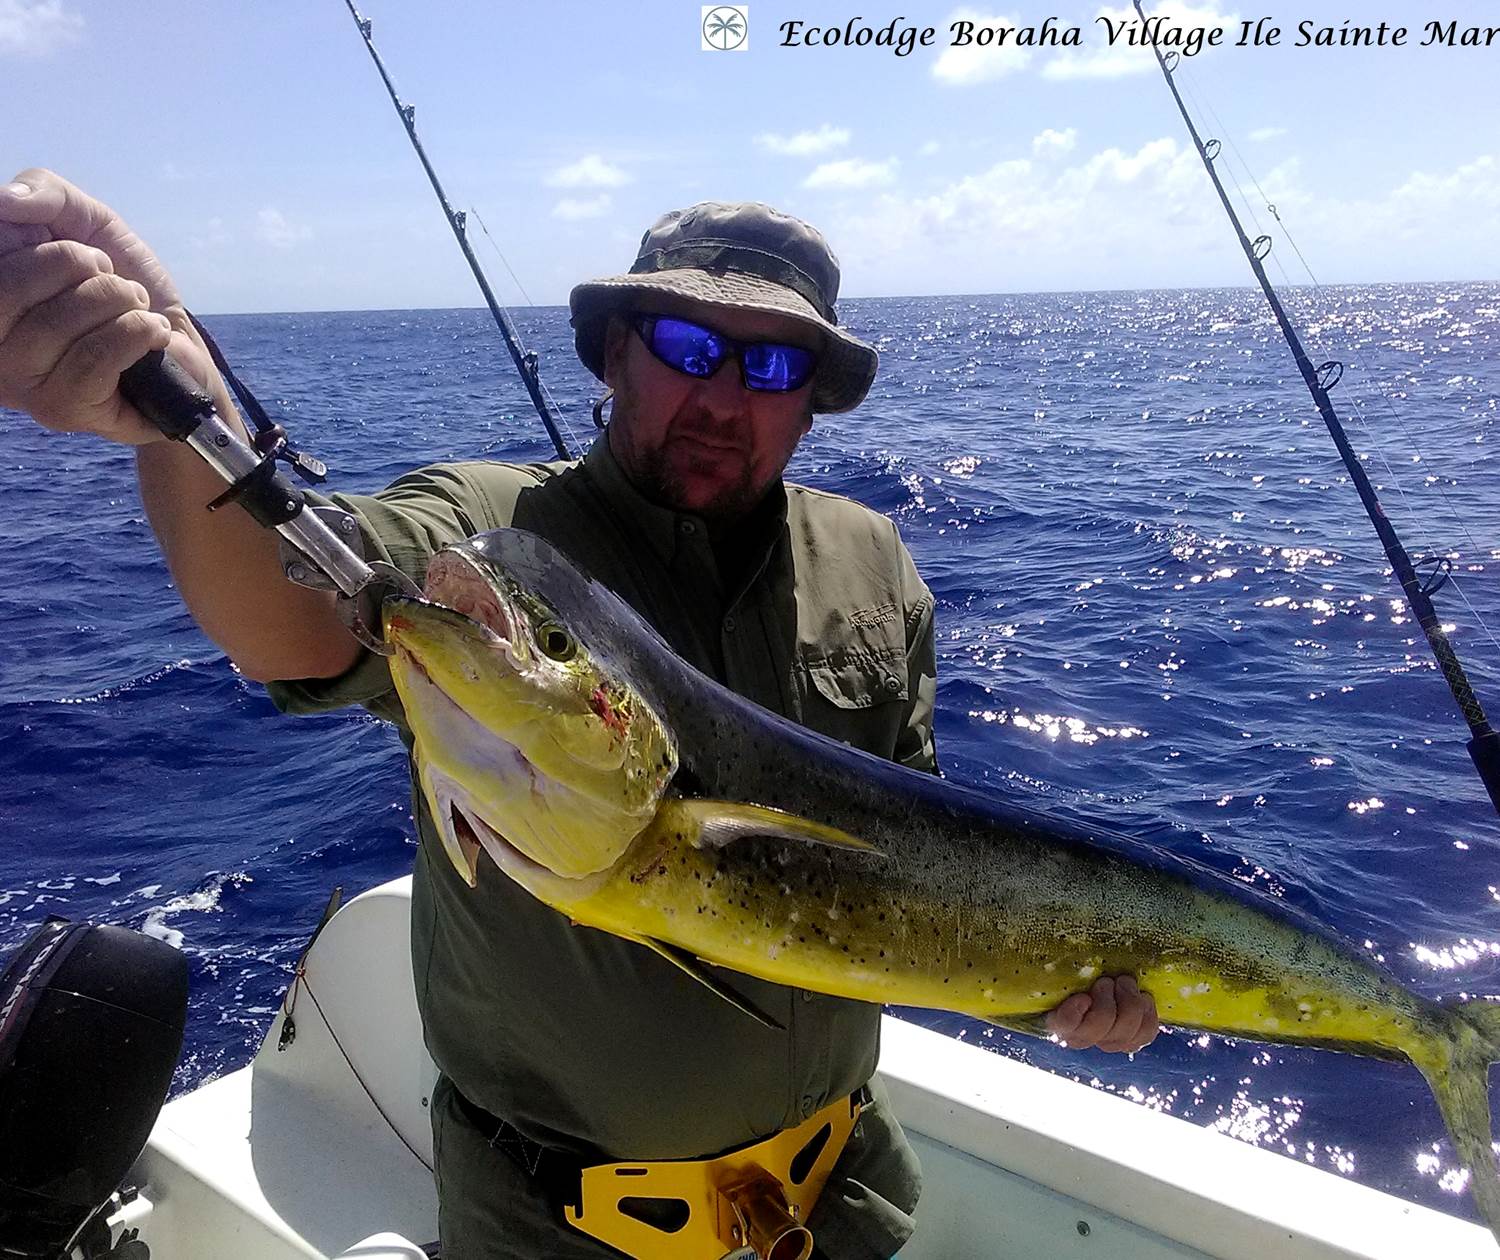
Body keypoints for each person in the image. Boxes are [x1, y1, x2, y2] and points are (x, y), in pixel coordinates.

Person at [0, 170, 1160, 1260]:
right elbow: (290, 620)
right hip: (556, 1227)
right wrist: (176, 402)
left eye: (771, 367)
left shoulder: (869, 556)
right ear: (615, 353)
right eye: (689, 348)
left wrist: (1049, 988)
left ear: (811, 403)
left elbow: (919, 858)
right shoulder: (496, 536)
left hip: (837, 1197)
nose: (722, 398)